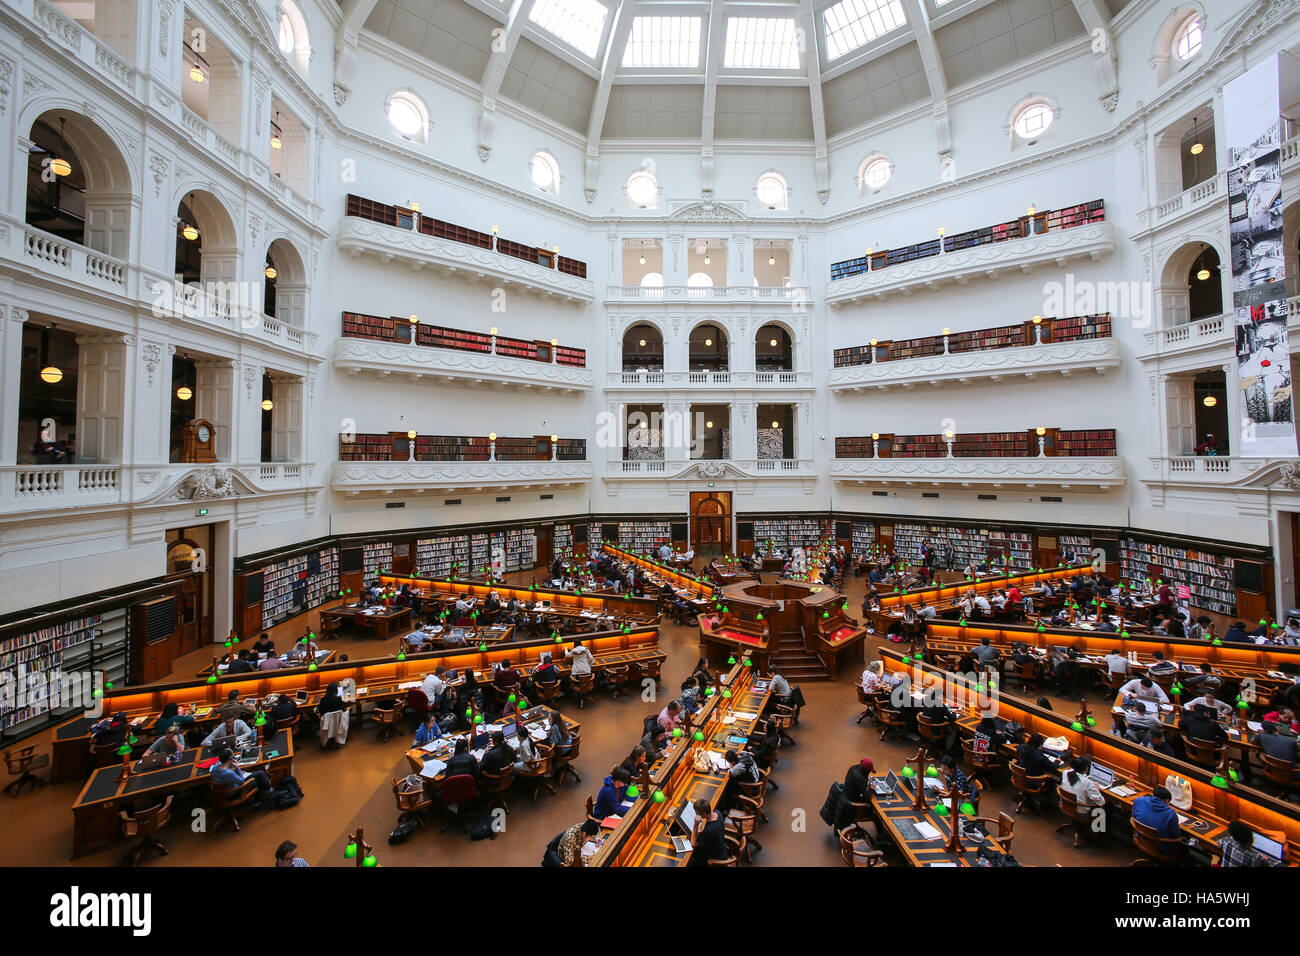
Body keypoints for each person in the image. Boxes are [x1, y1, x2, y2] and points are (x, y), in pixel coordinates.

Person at [1216, 820, 1282, 867]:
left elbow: (1219, 842)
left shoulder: (1227, 841)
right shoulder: (1256, 857)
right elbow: (1277, 865)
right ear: (1250, 841)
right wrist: (1266, 859)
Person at [690, 797, 728, 866]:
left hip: (715, 858)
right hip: (721, 849)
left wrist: (695, 825)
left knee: (693, 858)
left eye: (697, 814)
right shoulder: (717, 813)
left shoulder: (709, 830)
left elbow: (693, 843)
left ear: (704, 814)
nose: (696, 815)